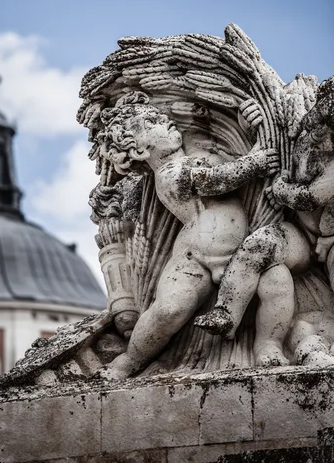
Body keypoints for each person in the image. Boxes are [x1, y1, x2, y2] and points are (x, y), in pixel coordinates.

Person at [97, 91, 279, 379]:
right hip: (193, 259)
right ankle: (129, 361)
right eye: (153, 121)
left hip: (236, 256)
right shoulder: (171, 173)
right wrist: (254, 162)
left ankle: (270, 346)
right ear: (141, 151)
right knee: (168, 310)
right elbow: (216, 181)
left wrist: (250, 129)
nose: (166, 120)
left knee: (275, 287)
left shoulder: (194, 156)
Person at [196, 76, 334, 366]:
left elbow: (308, 198)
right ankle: (226, 312)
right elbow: (275, 129)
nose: (320, 130)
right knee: (259, 244)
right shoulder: (305, 128)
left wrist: (282, 189)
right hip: (301, 232)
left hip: (330, 239)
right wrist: (251, 119)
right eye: (320, 119)